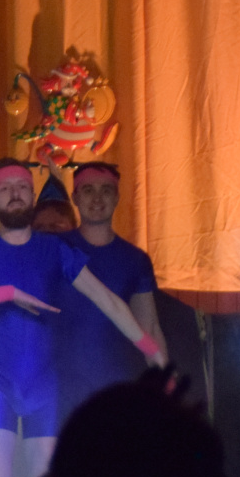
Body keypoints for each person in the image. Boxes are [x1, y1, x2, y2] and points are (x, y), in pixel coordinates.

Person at [0, 158, 166, 477]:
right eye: (5, 188)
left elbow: (107, 300)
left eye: (22, 187)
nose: (15, 194)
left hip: (45, 387)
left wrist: (151, 349)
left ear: (33, 195)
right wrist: (7, 293)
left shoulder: (55, 250)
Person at [56, 161, 166, 419]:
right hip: (59, 385)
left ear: (117, 197)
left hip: (116, 384)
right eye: (88, 190)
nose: (97, 198)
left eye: (106, 190)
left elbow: (149, 327)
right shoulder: (55, 248)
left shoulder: (135, 259)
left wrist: (165, 384)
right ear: (75, 197)